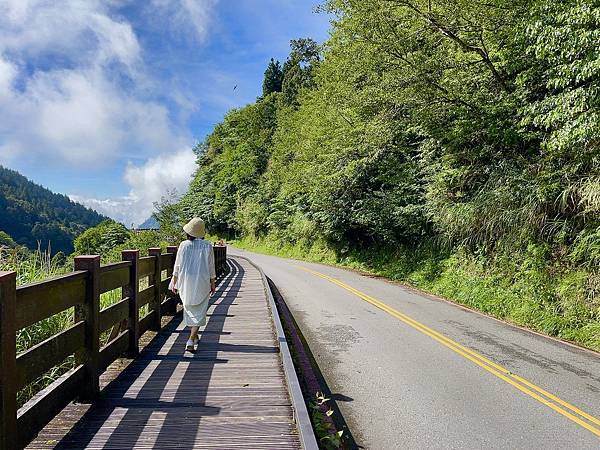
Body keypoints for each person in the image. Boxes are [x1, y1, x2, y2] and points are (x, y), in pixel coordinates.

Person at [170, 218, 216, 352]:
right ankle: (192, 338)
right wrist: (213, 282)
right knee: (200, 309)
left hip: (186, 280)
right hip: (202, 280)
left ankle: (193, 336)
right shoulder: (207, 245)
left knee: (189, 307)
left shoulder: (183, 245)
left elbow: (177, 265)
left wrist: (174, 281)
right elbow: (211, 266)